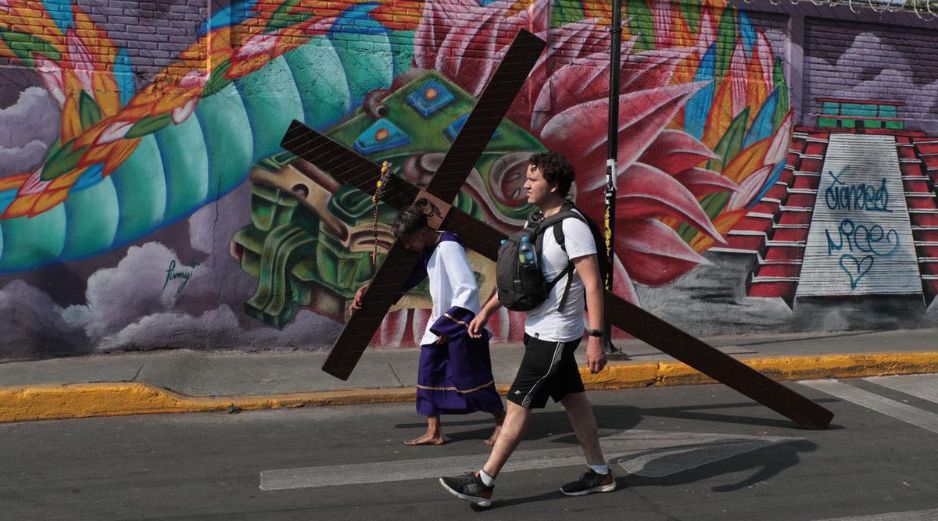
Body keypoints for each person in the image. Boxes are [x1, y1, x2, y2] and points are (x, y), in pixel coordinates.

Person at [438, 151, 613, 508]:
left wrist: (596, 338)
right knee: (575, 402)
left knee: (517, 405)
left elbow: (593, 285)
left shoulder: (572, 227)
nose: (526, 185)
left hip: (556, 334)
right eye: (526, 178)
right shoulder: (537, 221)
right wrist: (487, 310)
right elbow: (520, 274)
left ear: (555, 185)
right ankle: (600, 472)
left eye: (533, 179)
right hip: (539, 329)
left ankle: (484, 481)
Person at [350, 205, 505, 446]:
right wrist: (370, 290)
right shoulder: (430, 249)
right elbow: (407, 279)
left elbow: (467, 289)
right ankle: (434, 431)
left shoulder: (449, 247)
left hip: (459, 325)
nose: (406, 246)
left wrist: (449, 326)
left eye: (408, 240)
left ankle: (502, 422)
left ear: (422, 232)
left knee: (471, 378)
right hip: (439, 324)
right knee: (429, 374)